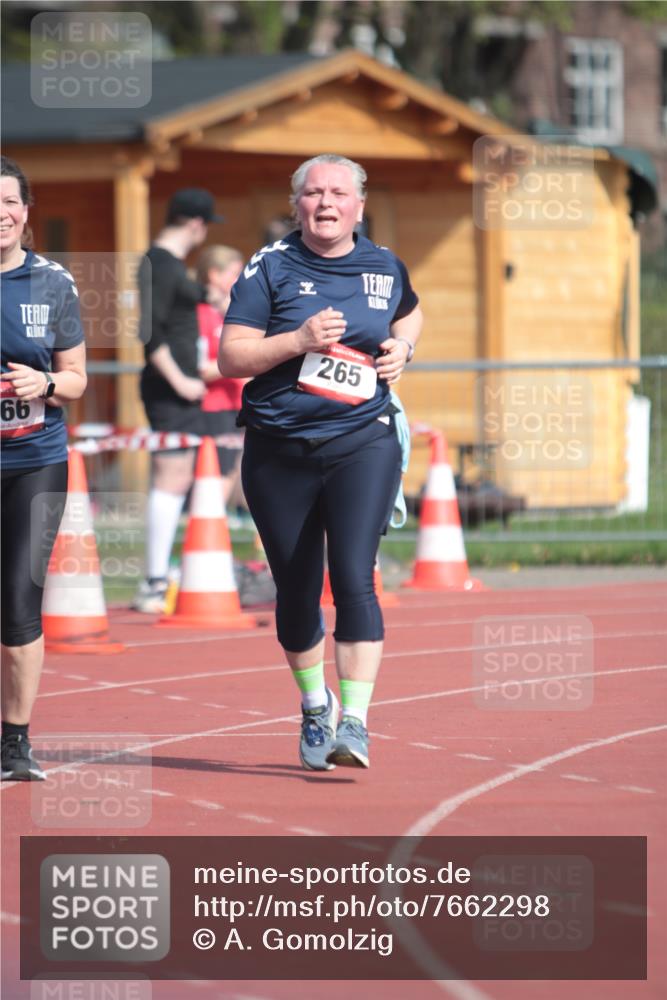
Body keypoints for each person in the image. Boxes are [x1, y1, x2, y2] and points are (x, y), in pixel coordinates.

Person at [220, 154, 423, 770]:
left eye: (338, 193)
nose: (325, 203)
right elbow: (232, 356)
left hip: (362, 438)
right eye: (313, 194)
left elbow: (410, 310)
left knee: (356, 576)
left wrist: (401, 348)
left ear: (360, 203)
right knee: (297, 591)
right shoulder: (270, 268)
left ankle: (355, 723)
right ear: (297, 204)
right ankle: (315, 706)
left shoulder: (384, 265)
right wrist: (298, 341)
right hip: (280, 450)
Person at [1, 155, 87, 781]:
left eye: (10, 202)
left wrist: (47, 379)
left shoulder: (53, 283)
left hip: (35, 459)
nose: (0, 214)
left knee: (19, 603)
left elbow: (78, 378)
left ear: (26, 213)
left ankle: (14, 741)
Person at [132, 188, 224, 613]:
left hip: (181, 388)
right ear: (196, 225)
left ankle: (161, 576)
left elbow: (181, 307)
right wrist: (181, 381)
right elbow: (150, 334)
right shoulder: (161, 264)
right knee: (171, 479)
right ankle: (153, 581)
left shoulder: (169, 266)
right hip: (171, 389)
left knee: (182, 477)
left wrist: (212, 298)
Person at [195, 244, 245, 505]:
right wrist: (238, 363)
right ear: (215, 275)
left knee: (235, 471)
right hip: (215, 407)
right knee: (220, 473)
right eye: (235, 273)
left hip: (237, 404)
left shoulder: (228, 314)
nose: (240, 280)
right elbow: (201, 368)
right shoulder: (201, 314)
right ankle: (209, 533)